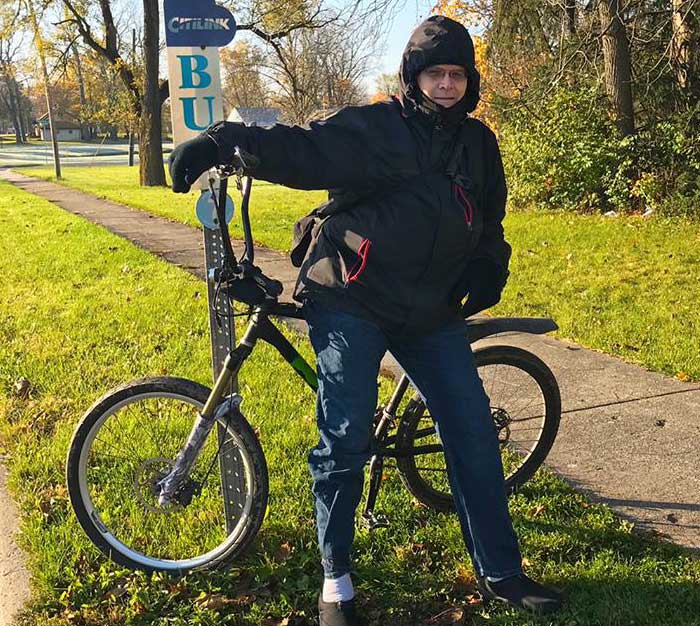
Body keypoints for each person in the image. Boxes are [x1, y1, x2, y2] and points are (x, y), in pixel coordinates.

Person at [169, 15, 563, 625]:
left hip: (430, 310)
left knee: (474, 433)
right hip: (351, 298)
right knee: (346, 437)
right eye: (436, 72)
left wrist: (489, 264)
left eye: (458, 74)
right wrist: (222, 143)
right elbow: (302, 148)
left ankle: (502, 571)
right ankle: (336, 581)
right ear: (415, 76)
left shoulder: (478, 144)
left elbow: (490, 221)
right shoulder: (378, 128)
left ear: (469, 80)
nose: (447, 84)